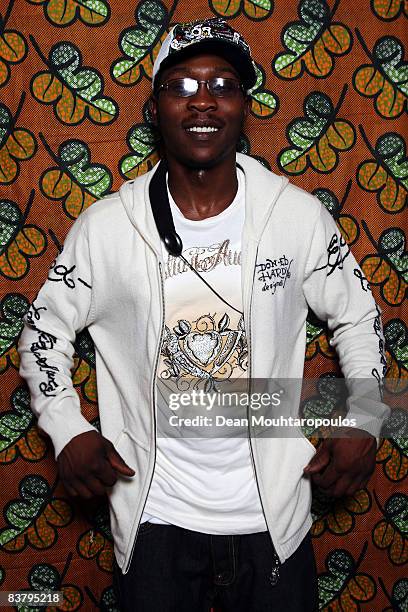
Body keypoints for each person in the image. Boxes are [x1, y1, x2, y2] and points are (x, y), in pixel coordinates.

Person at [19, 17, 389, 612]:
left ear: (243, 107)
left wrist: (367, 419)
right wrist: (67, 429)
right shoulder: (107, 227)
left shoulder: (296, 217)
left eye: (223, 84)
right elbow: (43, 330)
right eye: (183, 85)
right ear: (156, 107)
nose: (204, 100)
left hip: (275, 519)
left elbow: (360, 318)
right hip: (154, 520)